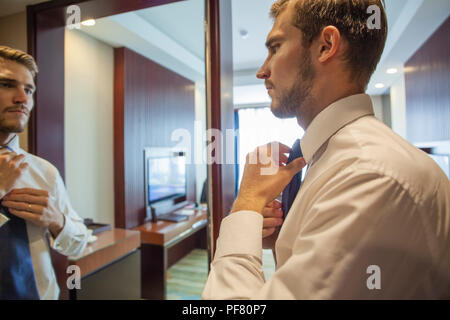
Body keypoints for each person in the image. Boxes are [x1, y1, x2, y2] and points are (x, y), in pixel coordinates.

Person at [202, 0, 450, 299]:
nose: (261, 71)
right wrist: (293, 236)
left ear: (325, 45)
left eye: (275, 47)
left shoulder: (370, 175)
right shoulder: (338, 160)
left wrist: (247, 203)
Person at [0, 46, 89, 300]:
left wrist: (57, 221)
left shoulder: (43, 171)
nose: (22, 98)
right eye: (6, 84)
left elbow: (79, 243)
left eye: (28, 90)